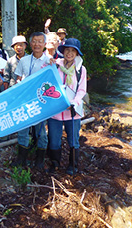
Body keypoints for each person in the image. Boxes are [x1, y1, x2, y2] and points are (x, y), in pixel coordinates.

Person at [47, 38, 87, 175]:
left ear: (77, 53)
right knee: (54, 141)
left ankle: (73, 166)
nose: (69, 53)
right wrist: (48, 62)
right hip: (55, 110)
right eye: (67, 50)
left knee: (73, 140)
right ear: (63, 51)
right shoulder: (56, 65)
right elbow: (44, 76)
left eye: (73, 51)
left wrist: (74, 102)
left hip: (73, 111)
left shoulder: (81, 69)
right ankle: (55, 164)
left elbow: (82, 90)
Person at [12, 32, 52, 169]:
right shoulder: (23, 61)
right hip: (24, 101)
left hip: (41, 102)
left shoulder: (49, 62)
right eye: (34, 41)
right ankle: (21, 159)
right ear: (31, 44)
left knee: (41, 132)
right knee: (22, 130)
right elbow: (17, 78)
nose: (37, 44)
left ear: (45, 44)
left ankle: (39, 160)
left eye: (40, 41)